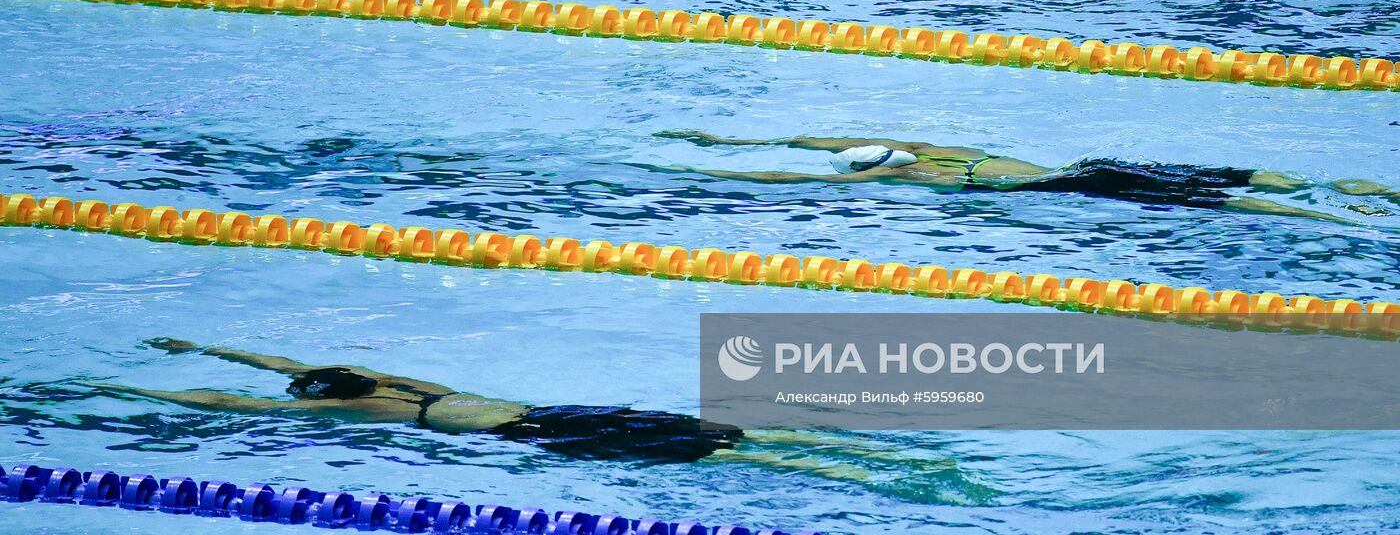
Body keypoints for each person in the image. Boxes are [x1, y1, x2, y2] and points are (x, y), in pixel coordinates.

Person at [98, 339, 989, 496]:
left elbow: (237, 400)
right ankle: (860, 456)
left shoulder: (367, 411)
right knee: (721, 434)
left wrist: (126, 393)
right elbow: (282, 365)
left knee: (714, 464)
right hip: (561, 409)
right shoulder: (401, 382)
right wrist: (201, 344)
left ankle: (836, 476)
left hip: (544, 437)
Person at [650, 130, 1399, 222]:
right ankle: (1375, 196)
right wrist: (728, 136)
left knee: (1234, 205)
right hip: (1090, 161)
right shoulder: (924, 149)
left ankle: (1346, 219)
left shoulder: (897, 183)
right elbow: (818, 139)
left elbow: (797, 179)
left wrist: (717, 160)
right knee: (1248, 175)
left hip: (1072, 188)